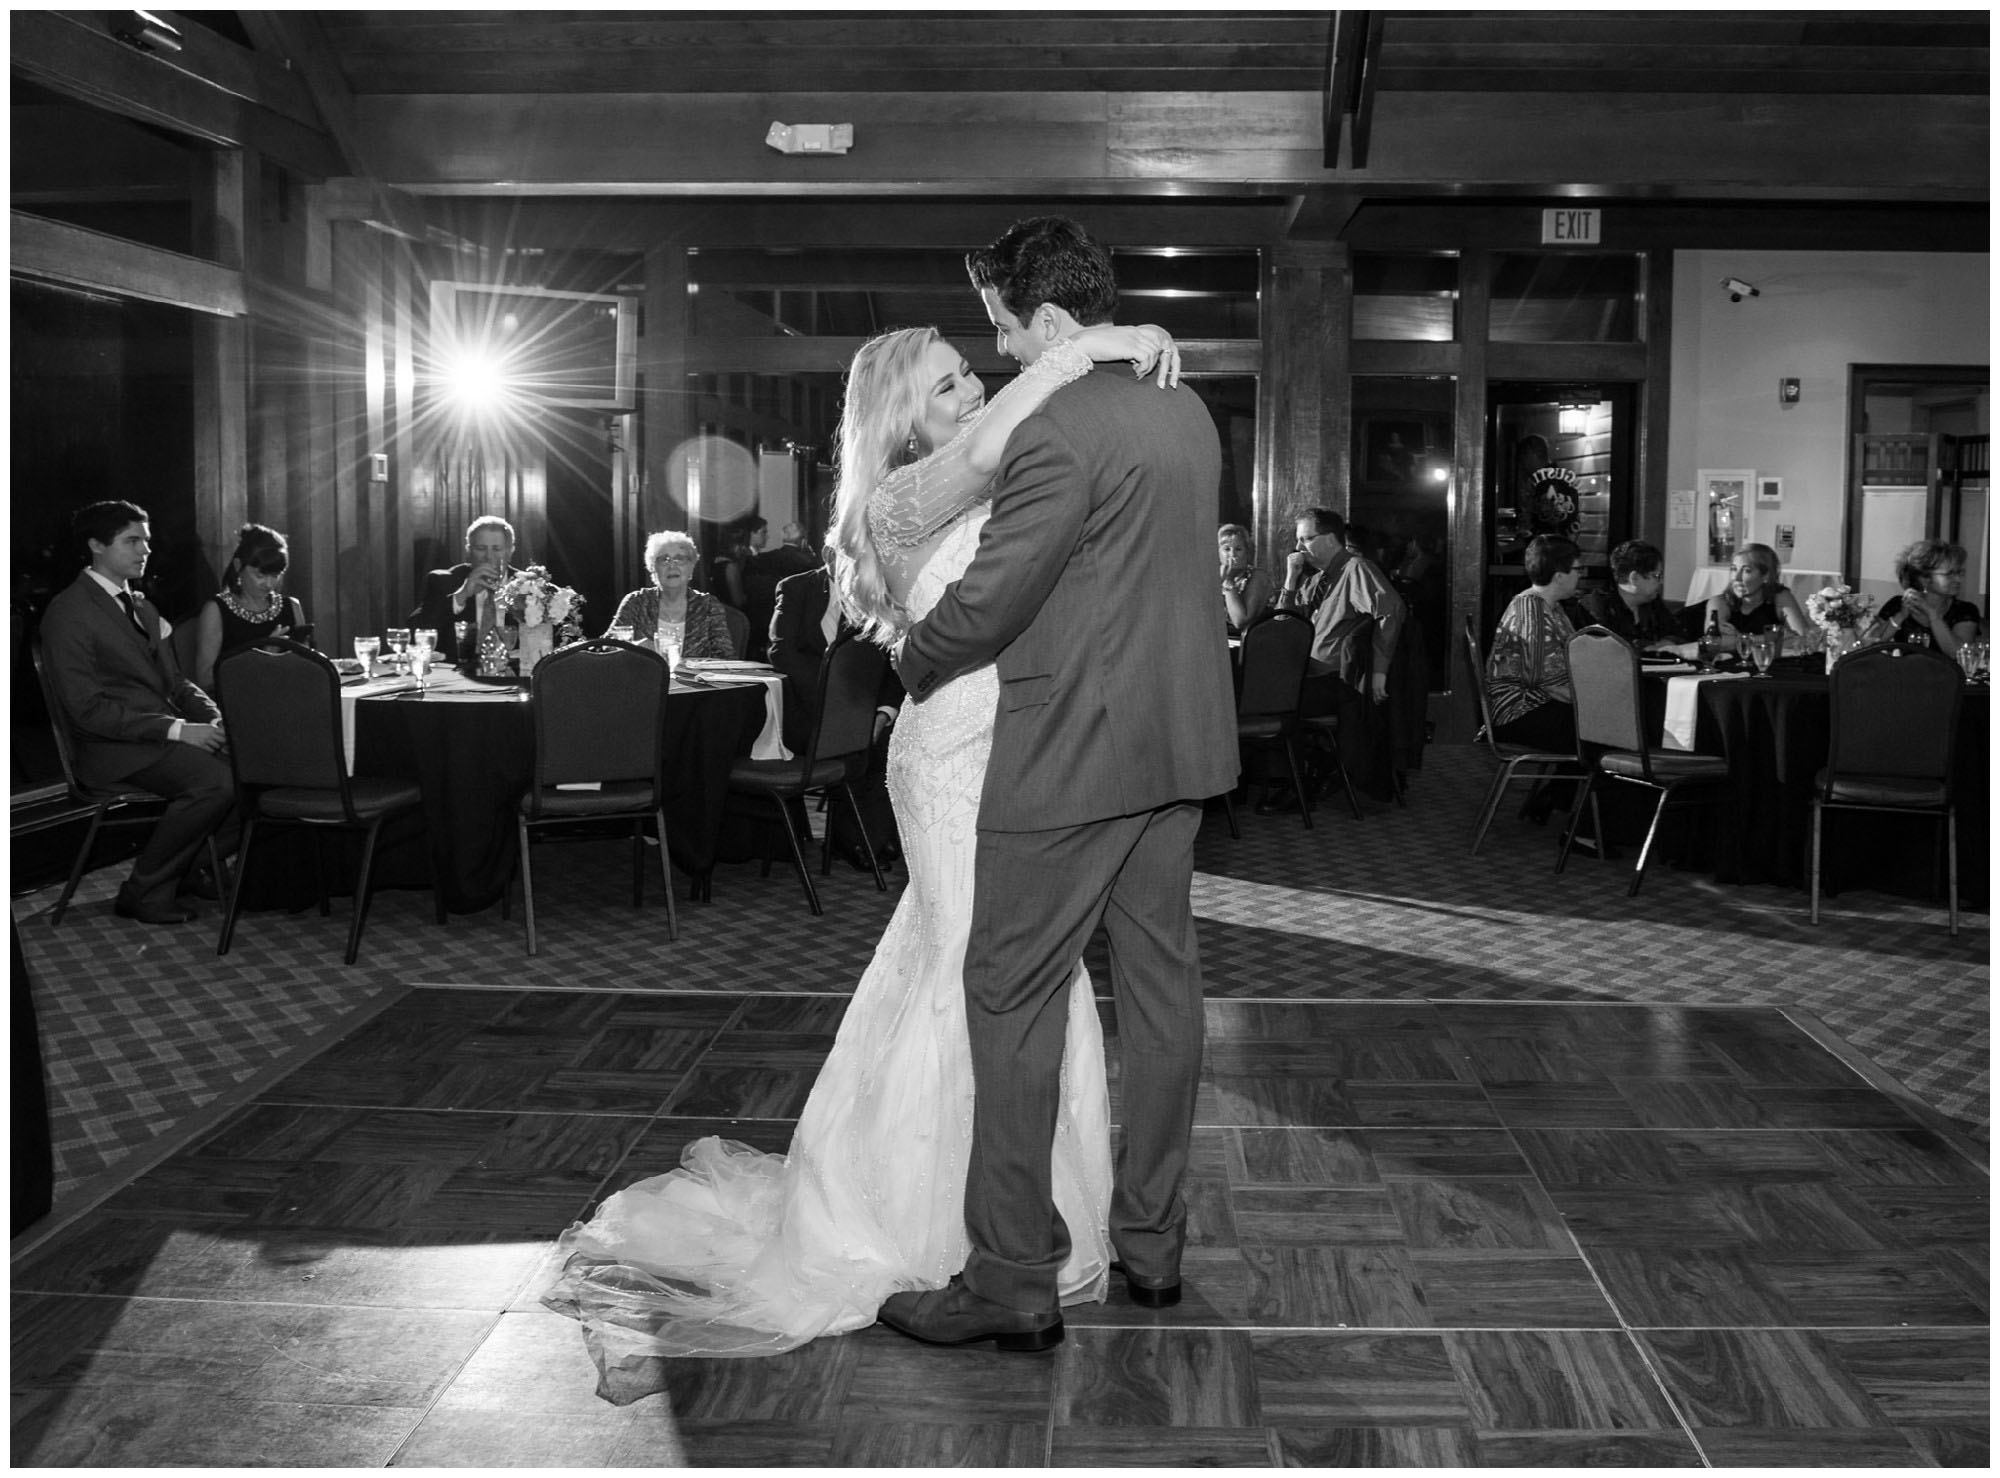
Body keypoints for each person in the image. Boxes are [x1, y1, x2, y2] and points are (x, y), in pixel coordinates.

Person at [542, 258, 1184, 1371]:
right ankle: (949, 1229)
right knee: (978, 977)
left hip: (1026, 754)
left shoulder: (986, 476)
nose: (972, 393)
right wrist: (1087, 346)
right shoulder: (903, 500)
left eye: (965, 375)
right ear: (897, 426)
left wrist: (1088, 359)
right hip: (953, 761)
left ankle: (1019, 1228)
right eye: (943, 388)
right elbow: (997, 474)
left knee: (1016, 976)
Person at [877, 215, 1236, 1352]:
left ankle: (1011, 1279)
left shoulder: (1059, 428)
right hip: (1179, 745)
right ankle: (1153, 1247)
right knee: (1164, 994)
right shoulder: (1183, 403)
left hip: (1073, 752)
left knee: (1008, 989)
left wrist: (909, 656)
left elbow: (991, 598)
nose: (998, 350)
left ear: (1043, 318)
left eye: (999, 324)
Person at [38, 501, 234, 926]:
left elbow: (177, 683)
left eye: (145, 539)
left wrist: (214, 717)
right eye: (132, 540)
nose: (145, 549)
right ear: (95, 545)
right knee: (215, 781)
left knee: (261, 765)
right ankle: (143, 890)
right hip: (109, 749)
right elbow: (87, 710)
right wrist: (179, 731)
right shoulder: (68, 613)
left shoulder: (142, 606)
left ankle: (190, 866)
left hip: (155, 741)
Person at [767, 556, 903, 868]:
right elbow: (782, 652)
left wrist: (883, 712)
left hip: (864, 708)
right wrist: (838, 704)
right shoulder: (796, 588)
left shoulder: (876, 593)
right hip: (807, 710)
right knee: (853, 743)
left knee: (890, 742)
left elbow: (892, 662)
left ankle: (871, 837)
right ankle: (860, 840)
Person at [1273, 506, 1405, 803]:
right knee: (1268, 694)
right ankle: (1316, 768)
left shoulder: (1356, 569)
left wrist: (1380, 671)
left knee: (1277, 704)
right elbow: (1282, 627)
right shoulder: (1317, 579)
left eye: (1306, 539)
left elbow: (1391, 610)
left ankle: (1303, 781)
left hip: (1337, 681)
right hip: (1309, 674)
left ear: (1331, 539)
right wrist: (1291, 581)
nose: (1298, 547)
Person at [1487, 534, 1581, 758]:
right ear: (1559, 576)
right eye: (1577, 569)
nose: (1580, 575)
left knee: (1608, 724)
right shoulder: (1531, 609)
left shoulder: (1552, 607)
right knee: (1608, 730)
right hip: (1519, 713)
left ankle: (1566, 792)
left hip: (1537, 706)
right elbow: (1541, 677)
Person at [189, 523, 308, 691]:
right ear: (238, 566)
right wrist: (263, 658)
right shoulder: (217, 610)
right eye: (260, 575)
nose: (269, 584)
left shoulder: (292, 606)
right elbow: (205, 679)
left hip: (289, 695)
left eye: (275, 576)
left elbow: (308, 667)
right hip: (240, 703)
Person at [605, 530, 735, 659]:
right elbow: (605, 647)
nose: (672, 565)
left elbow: (727, 657)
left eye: (680, 559)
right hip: (645, 678)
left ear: (691, 567)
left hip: (694, 679)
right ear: (652, 567)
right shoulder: (636, 602)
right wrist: (636, 647)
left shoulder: (708, 606)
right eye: (664, 560)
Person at [410, 515, 519, 666]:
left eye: (497, 549)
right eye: (481, 549)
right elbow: (416, 634)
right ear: (469, 550)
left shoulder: (529, 585)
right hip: (457, 676)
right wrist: (462, 595)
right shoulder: (443, 581)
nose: (489, 556)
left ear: (510, 551)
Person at [1869, 538, 1982, 657]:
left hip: (1947, 674)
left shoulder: (1965, 610)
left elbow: (1958, 655)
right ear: (1924, 579)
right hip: (1903, 672)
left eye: (1959, 573)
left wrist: (1932, 615)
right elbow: (1870, 646)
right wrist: (1901, 616)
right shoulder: (1897, 604)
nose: (1958, 579)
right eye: (1949, 574)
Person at [1701, 542, 1811, 653]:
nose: (1736, 578)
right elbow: (1712, 643)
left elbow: (1805, 639)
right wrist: (1772, 638)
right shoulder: (1719, 602)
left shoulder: (1781, 597)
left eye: (1747, 570)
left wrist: (1737, 639)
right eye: (1734, 569)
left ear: (1766, 576)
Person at [1576, 538, 1679, 652]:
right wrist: (1648, 647)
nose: (1661, 582)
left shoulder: (1652, 601)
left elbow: (1677, 632)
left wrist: (1668, 642)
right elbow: (1609, 647)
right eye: (1656, 576)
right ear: (1634, 578)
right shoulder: (1597, 605)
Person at [1217, 523, 1274, 634]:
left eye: (1238, 549)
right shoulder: (1213, 577)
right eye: (1227, 549)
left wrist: (1229, 581)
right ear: (1218, 553)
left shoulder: (1258, 577)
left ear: (1247, 552)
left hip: (1251, 644)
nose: (1232, 555)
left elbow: (1240, 621)